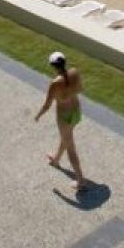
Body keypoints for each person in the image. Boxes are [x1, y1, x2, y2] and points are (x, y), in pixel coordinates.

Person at [36, 51, 87, 193]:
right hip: (76, 111)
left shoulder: (55, 83)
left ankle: (81, 181)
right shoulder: (75, 72)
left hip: (64, 117)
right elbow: (81, 89)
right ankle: (56, 160)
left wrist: (38, 115)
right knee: (66, 137)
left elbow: (47, 105)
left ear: (52, 66)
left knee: (71, 148)